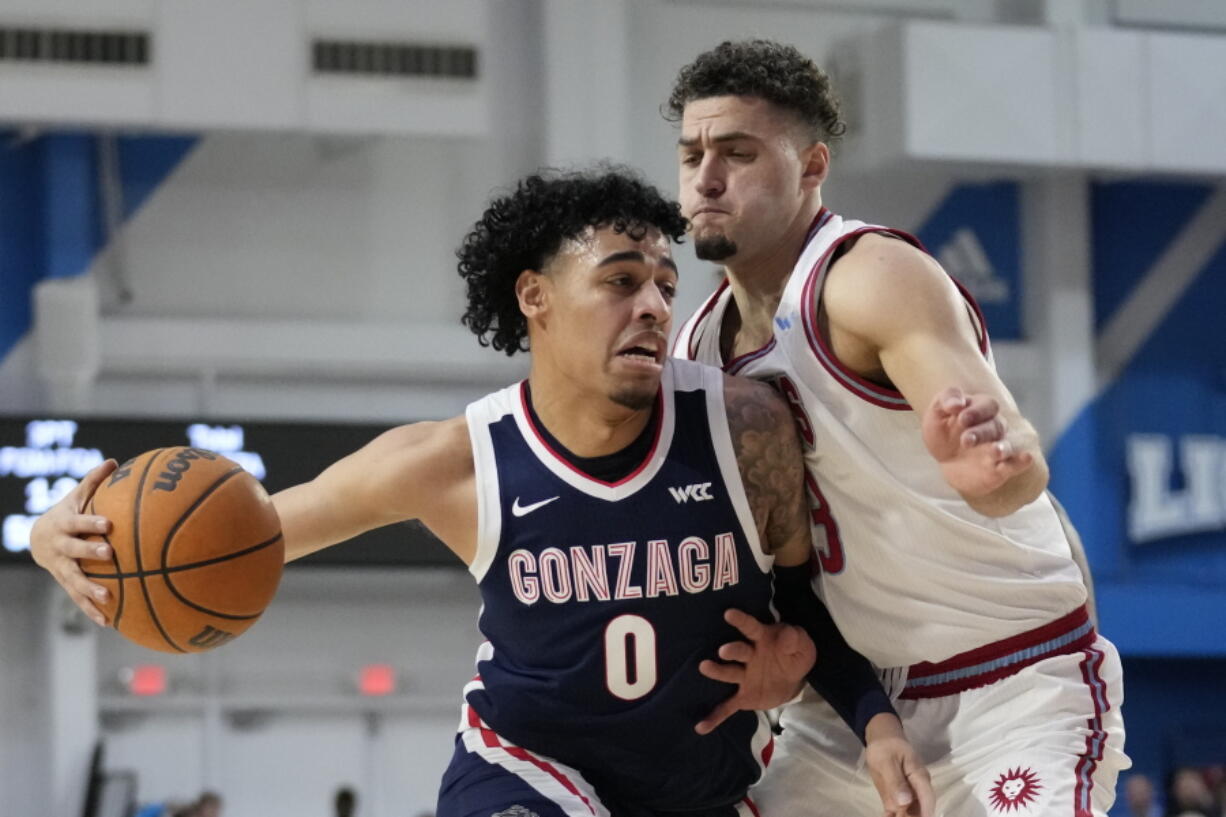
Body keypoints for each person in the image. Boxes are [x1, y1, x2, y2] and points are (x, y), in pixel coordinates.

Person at [31, 169, 934, 817]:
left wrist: (869, 716)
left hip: (704, 788)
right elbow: (256, 533)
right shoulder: (452, 460)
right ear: (535, 296)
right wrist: (50, 535)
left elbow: (808, 601)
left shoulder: (745, 428)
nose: (655, 305)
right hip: (525, 773)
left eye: (665, 283)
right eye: (621, 281)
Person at [664, 39, 1129, 816]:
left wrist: (991, 468)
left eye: (737, 153)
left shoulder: (868, 278)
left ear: (812, 167)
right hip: (850, 708)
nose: (706, 178)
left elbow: (1011, 459)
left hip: (1011, 681)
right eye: (691, 155)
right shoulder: (698, 348)